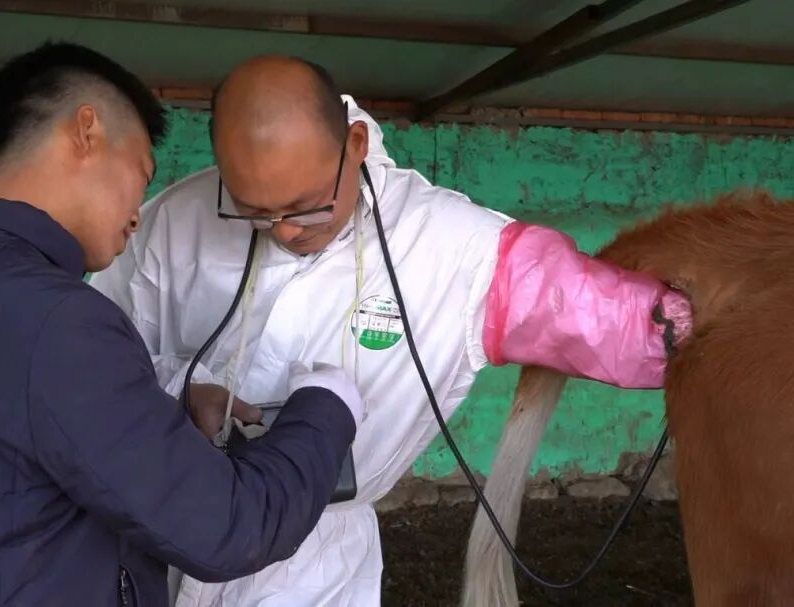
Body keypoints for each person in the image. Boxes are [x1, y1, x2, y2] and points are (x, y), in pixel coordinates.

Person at [89, 55, 694, 606]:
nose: (283, 230)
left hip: (317, 574)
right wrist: (178, 392)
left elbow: (598, 314)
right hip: (161, 536)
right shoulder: (174, 221)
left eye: (306, 206)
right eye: (252, 211)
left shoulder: (454, 247)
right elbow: (90, 357)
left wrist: (706, 324)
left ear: (354, 145)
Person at [0, 42, 369, 607]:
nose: (137, 216)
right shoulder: (57, 319)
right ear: (86, 132)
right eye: (141, 176)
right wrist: (326, 407)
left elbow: (11, 471)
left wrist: (161, 412)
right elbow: (230, 528)